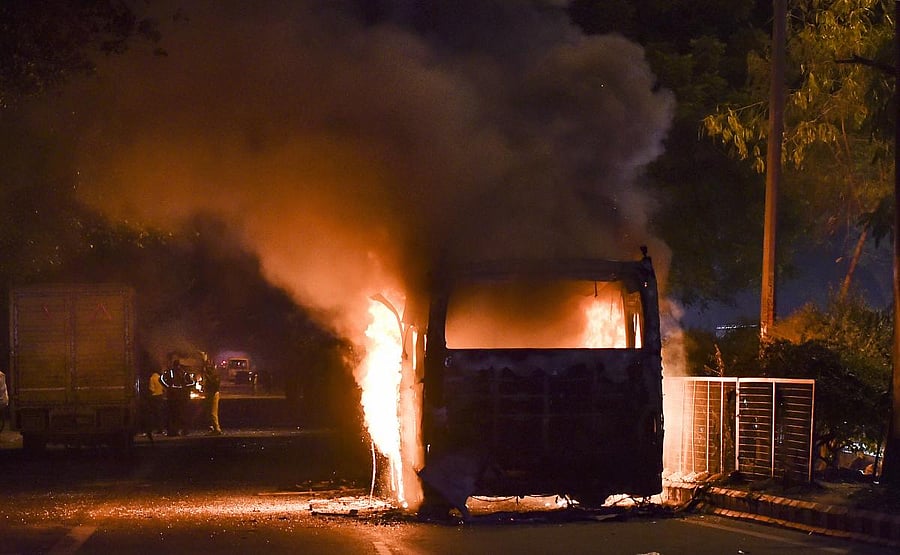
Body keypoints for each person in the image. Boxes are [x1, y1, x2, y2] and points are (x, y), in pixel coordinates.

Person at [160, 359, 195, 436]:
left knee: (173, 415)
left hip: (173, 397)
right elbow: (192, 383)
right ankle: (182, 430)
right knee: (180, 414)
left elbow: (161, 379)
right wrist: (185, 387)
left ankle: (174, 431)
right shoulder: (183, 373)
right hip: (180, 397)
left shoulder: (171, 372)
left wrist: (168, 387)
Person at [202, 360, 222, 435]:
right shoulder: (214, 374)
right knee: (210, 412)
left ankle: (217, 429)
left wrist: (206, 374)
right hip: (211, 394)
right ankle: (213, 428)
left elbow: (213, 383)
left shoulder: (214, 375)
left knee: (213, 412)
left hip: (213, 394)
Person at [147, 369, 165, 434]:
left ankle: (155, 428)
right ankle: (161, 428)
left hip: (155, 397)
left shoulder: (152, 378)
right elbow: (164, 388)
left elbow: (152, 389)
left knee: (154, 414)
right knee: (160, 413)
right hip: (160, 396)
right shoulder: (160, 378)